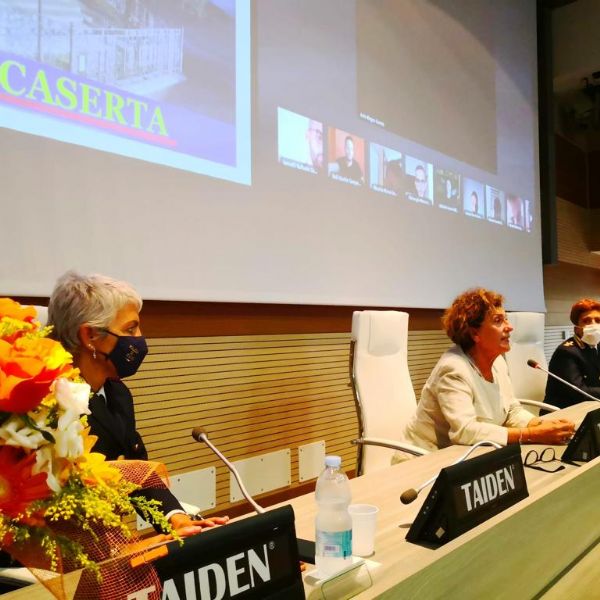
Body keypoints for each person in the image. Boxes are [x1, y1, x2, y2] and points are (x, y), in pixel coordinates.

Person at [48, 271, 225, 536]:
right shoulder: (50, 404)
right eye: (130, 329)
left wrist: (176, 519)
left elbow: (135, 470)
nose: (140, 338)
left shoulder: (117, 394)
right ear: (90, 336)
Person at [404, 288, 575, 450]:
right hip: (427, 461)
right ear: (474, 334)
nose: (509, 327)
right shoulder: (453, 369)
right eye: (498, 320)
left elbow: (511, 411)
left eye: (506, 318)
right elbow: (465, 431)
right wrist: (532, 434)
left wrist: (540, 425)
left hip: (472, 455)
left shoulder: (498, 362)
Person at [544, 298, 600, 408]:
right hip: (565, 412)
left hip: (593, 406)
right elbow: (579, 393)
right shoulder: (566, 352)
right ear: (576, 329)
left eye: (598, 320)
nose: (593, 325)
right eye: (586, 321)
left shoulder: (598, 345)